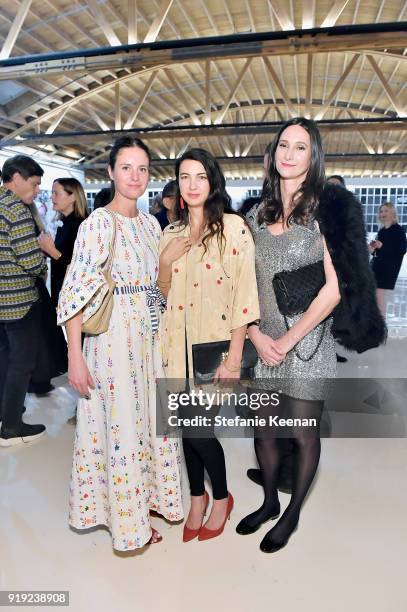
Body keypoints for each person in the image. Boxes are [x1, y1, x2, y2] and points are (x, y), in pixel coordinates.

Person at [57, 136, 183, 551]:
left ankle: (142, 506)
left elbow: (157, 289)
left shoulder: (150, 224)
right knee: (120, 428)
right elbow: (74, 294)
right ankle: (127, 525)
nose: (135, 176)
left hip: (147, 340)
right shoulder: (97, 224)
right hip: (111, 342)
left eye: (143, 168)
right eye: (126, 167)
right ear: (110, 172)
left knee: (147, 424)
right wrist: (75, 356)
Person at [236, 118, 346, 553]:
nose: (290, 154)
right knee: (264, 431)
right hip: (262, 344)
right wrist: (255, 335)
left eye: (301, 147)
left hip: (308, 345)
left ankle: (293, 512)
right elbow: (238, 285)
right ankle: (267, 501)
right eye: (284, 144)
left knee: (301, 434)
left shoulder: (326, 213)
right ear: (274, 151)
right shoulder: (255, 214)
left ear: (312, 156)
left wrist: (288, 339)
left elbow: (335, 289)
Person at [158, 148, 260, 542]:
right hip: (174, 349)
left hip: (213, 351)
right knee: (186, 430)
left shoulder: (233, 228)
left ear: (213, 182)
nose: (192, 184)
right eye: (185, 176)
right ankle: (196, 498)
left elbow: (245, 296)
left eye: (200, 176)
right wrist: (165, 264)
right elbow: (161, 296)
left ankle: (221, 497)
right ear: (178, 185)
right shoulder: (170, 232)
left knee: (199, 431)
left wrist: (233, 357)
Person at [0, 155, 48, 446]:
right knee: (22, 363)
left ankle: (7, 412)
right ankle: (12, 427)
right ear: (15, 178)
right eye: (33, 184)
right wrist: (44, 266)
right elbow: (30, 259)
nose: (37, 190)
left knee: (5, 359)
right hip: (19, 301)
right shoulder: (16, 209)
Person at [38, 177, 88, 308]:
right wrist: (46, 249)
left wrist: (51, 251)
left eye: (56, 193)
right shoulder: (64, 223)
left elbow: (81, 266)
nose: (51, 197)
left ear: (72, 197)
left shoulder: (83, 225)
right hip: (63, 294)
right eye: (52, 193)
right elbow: (65, 255)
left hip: (76, 299)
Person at [369, 202, 406, 317]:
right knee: (374, 296)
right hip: (377, 266)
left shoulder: (398, 231)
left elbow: (401, 251)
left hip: (389, 268)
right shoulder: (381, 231)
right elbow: (378, 252)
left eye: (386, 211)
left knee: (379, 296)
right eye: (381, 211)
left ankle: (381, 327)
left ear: (392, 213)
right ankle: (376, 324)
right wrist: (372, 249)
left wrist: (381, 246)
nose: (382, 213)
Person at [326, 174, 348, 363]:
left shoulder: (347, 212)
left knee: (337, 310)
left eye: (337, 186)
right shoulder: (318, 209)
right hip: (321, 267)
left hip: (341, 267)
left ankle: (331, 348)